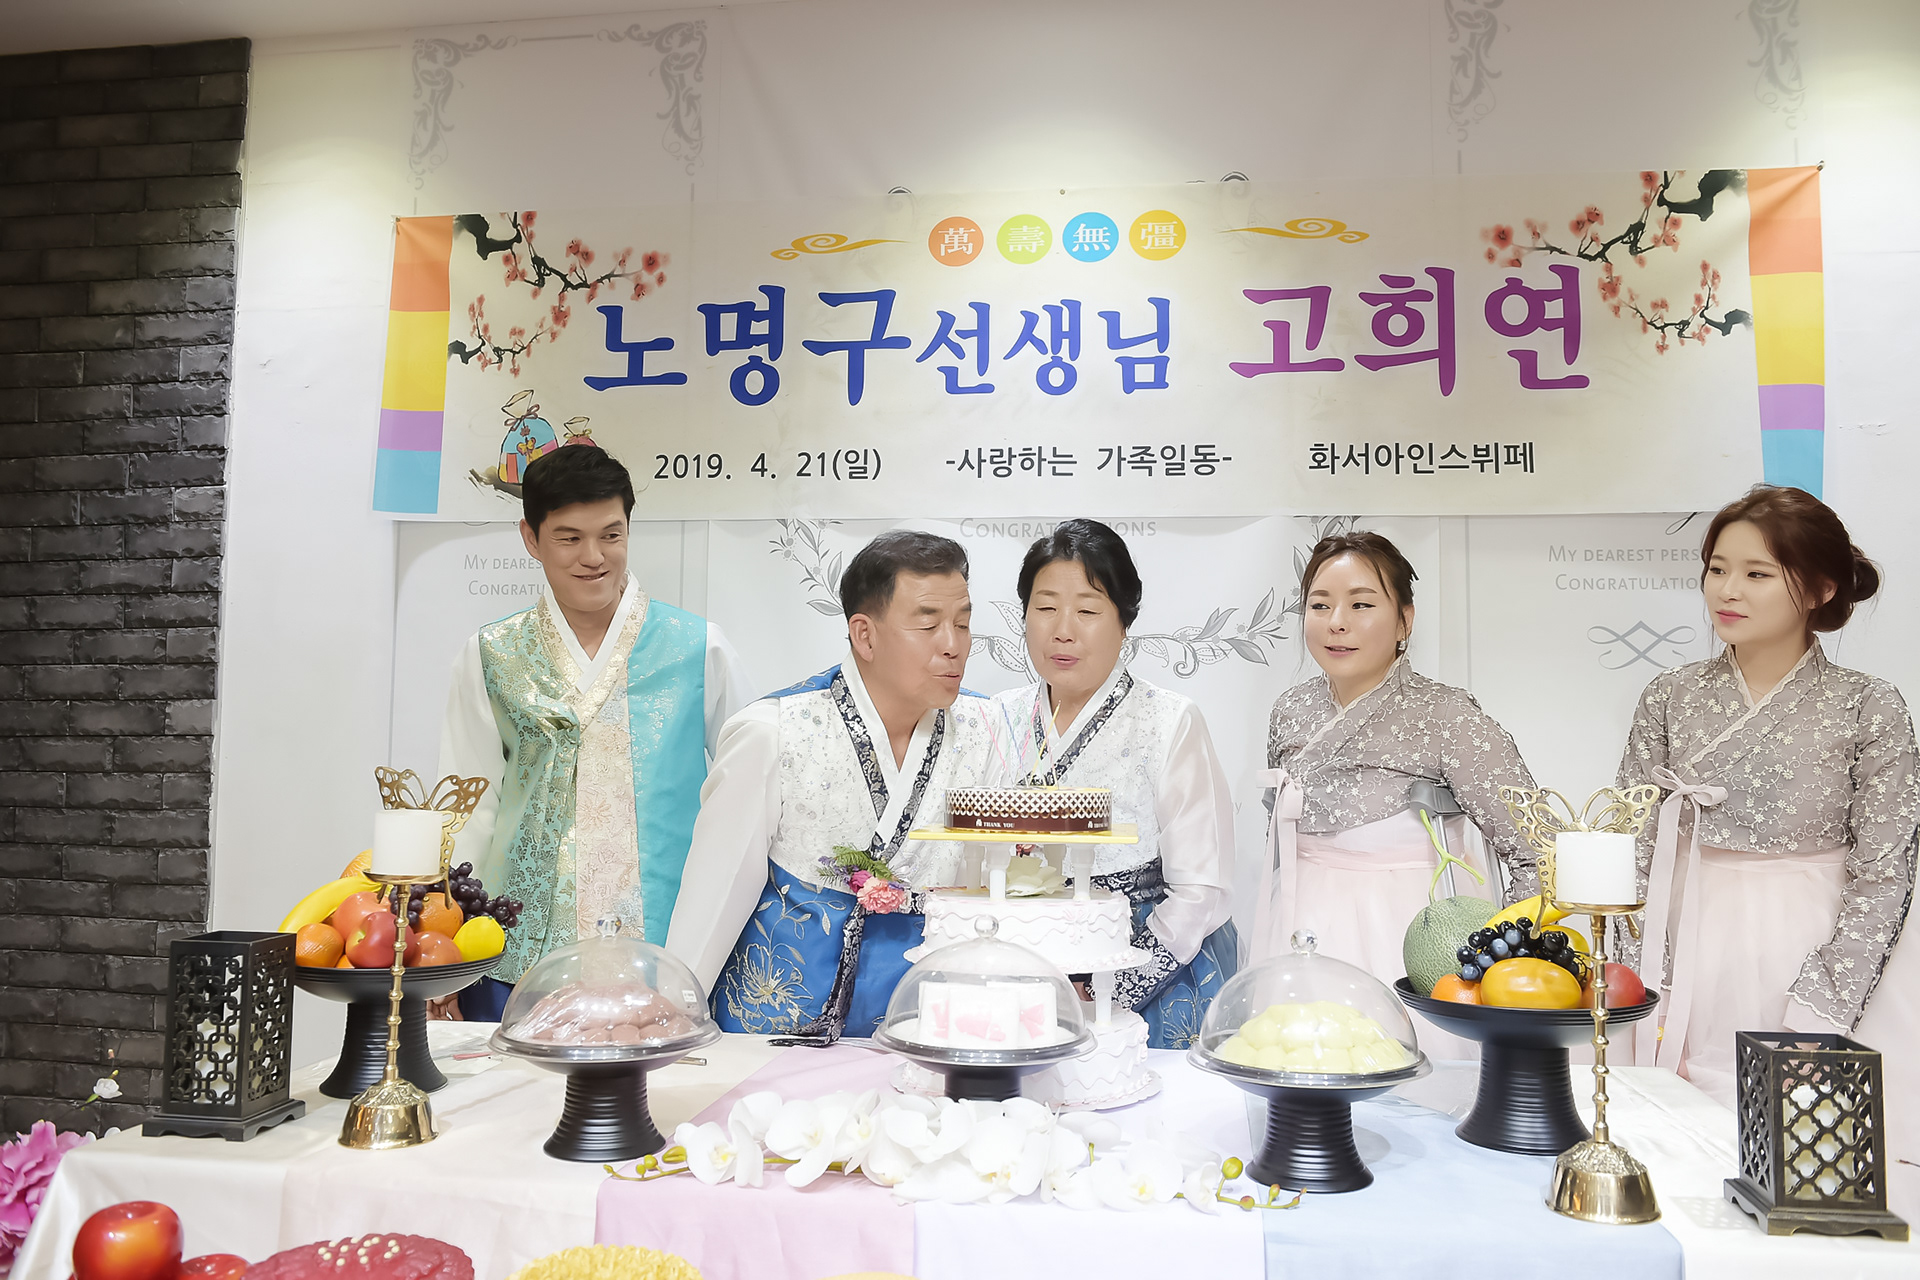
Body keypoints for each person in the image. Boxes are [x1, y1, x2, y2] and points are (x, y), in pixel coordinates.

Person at [1616, 485, 1916, 1137]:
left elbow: (1885, 871)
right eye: (1717, 569)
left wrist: (1826, 996)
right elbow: (1632, 843)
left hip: (1809, 937)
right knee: (1670, 1136)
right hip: (1684, 931)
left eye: (1757, 574)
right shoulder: (1669, 695)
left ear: (1821, 589)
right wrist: (1636, 968)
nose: (1727, 591)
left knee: (1802, 1140)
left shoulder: (1869, 705)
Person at [438, 446, 753, 1019]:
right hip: (517, 947)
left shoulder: (698, 648)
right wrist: (447, 950)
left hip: (668, 947)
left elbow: (746, 801)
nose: (594, 557)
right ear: (531, 539)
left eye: (611, 535)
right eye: (569, 538)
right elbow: (468, 806)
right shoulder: (492, 654)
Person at [665, 530, 1000, 1042]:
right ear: (864, 635)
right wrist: (671, 1019)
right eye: (928, 624)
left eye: (963, 623)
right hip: (780, 1021)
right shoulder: (774, 731)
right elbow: (715, 896)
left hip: (929, 1022)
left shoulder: (986, 729)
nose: (953, 646)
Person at [988, 520, 1238, 1048]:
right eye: (1045, 607)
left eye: (1087, 611)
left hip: (1147, 966)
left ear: (1124, 623)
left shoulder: (1169, 720)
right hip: (1023, 969)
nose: (1063, 631)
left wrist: (1109, 988)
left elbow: (1202, 889)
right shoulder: (998, 717)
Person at [1261, 532, 1539, 996]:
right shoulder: (1290, 710)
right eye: (1320, 605)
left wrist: (1501, 955)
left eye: (1361, 605)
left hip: (1414, 931)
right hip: (1297, 918)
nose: (1337, 623)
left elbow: (1535, 850)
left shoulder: (1446, 715)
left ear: (1404, 620)